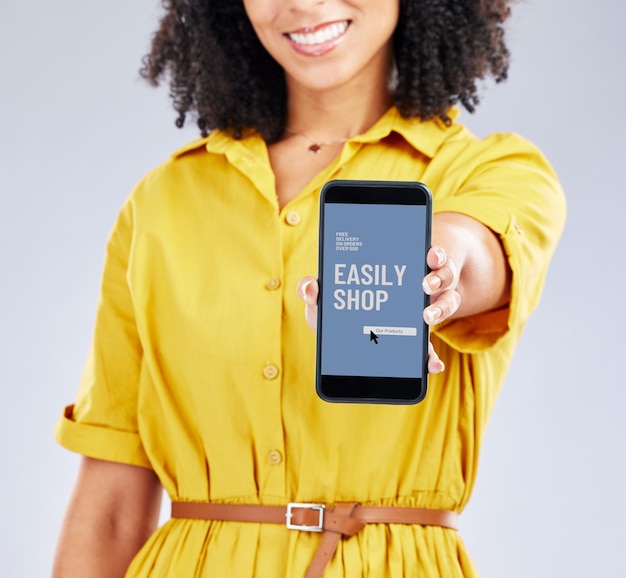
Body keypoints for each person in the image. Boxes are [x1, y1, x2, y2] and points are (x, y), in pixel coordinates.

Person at [52, 0, 566, 576]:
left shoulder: (494, 172)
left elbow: (474, 254)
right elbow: (112, 510)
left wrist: (419, 273)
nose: (304, 3)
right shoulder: (161, 203)